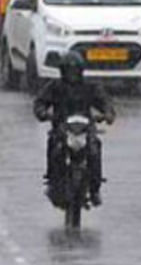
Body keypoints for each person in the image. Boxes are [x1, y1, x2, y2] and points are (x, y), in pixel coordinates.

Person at [32, 53, 115, 207]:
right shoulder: (54, 87)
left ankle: (95, 188)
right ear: (62, 71)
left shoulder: (90, 87)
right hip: (62, 126)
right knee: (55, 147)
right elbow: (40, 102)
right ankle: (53, 182)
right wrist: (43, 113)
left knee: (94, 149)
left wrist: (108, 113)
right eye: (69, 71)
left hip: (86, 127)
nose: (72, 75)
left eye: (75, 71)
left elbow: (104, 101)